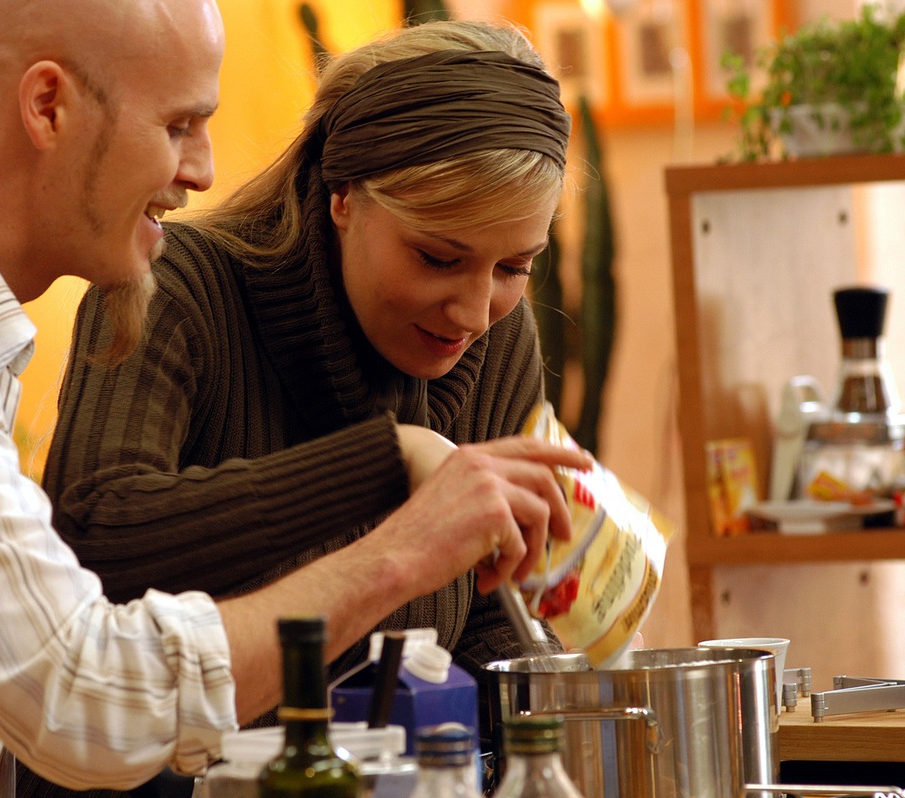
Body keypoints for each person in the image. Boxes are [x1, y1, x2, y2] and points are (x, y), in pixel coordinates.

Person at [0, 1, 590, 796]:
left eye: (514, 267)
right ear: (47, 106)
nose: (203, 170)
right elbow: (90, 701)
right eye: (178, 125)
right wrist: (405, 544)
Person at [36, 16, 581, 798]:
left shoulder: (500, 339)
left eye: (514, 266)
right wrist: (389, 461)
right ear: (343, 197)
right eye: (438, 257)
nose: (471, 310)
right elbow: (89, 534)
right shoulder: (175, 287)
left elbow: (491, 617)